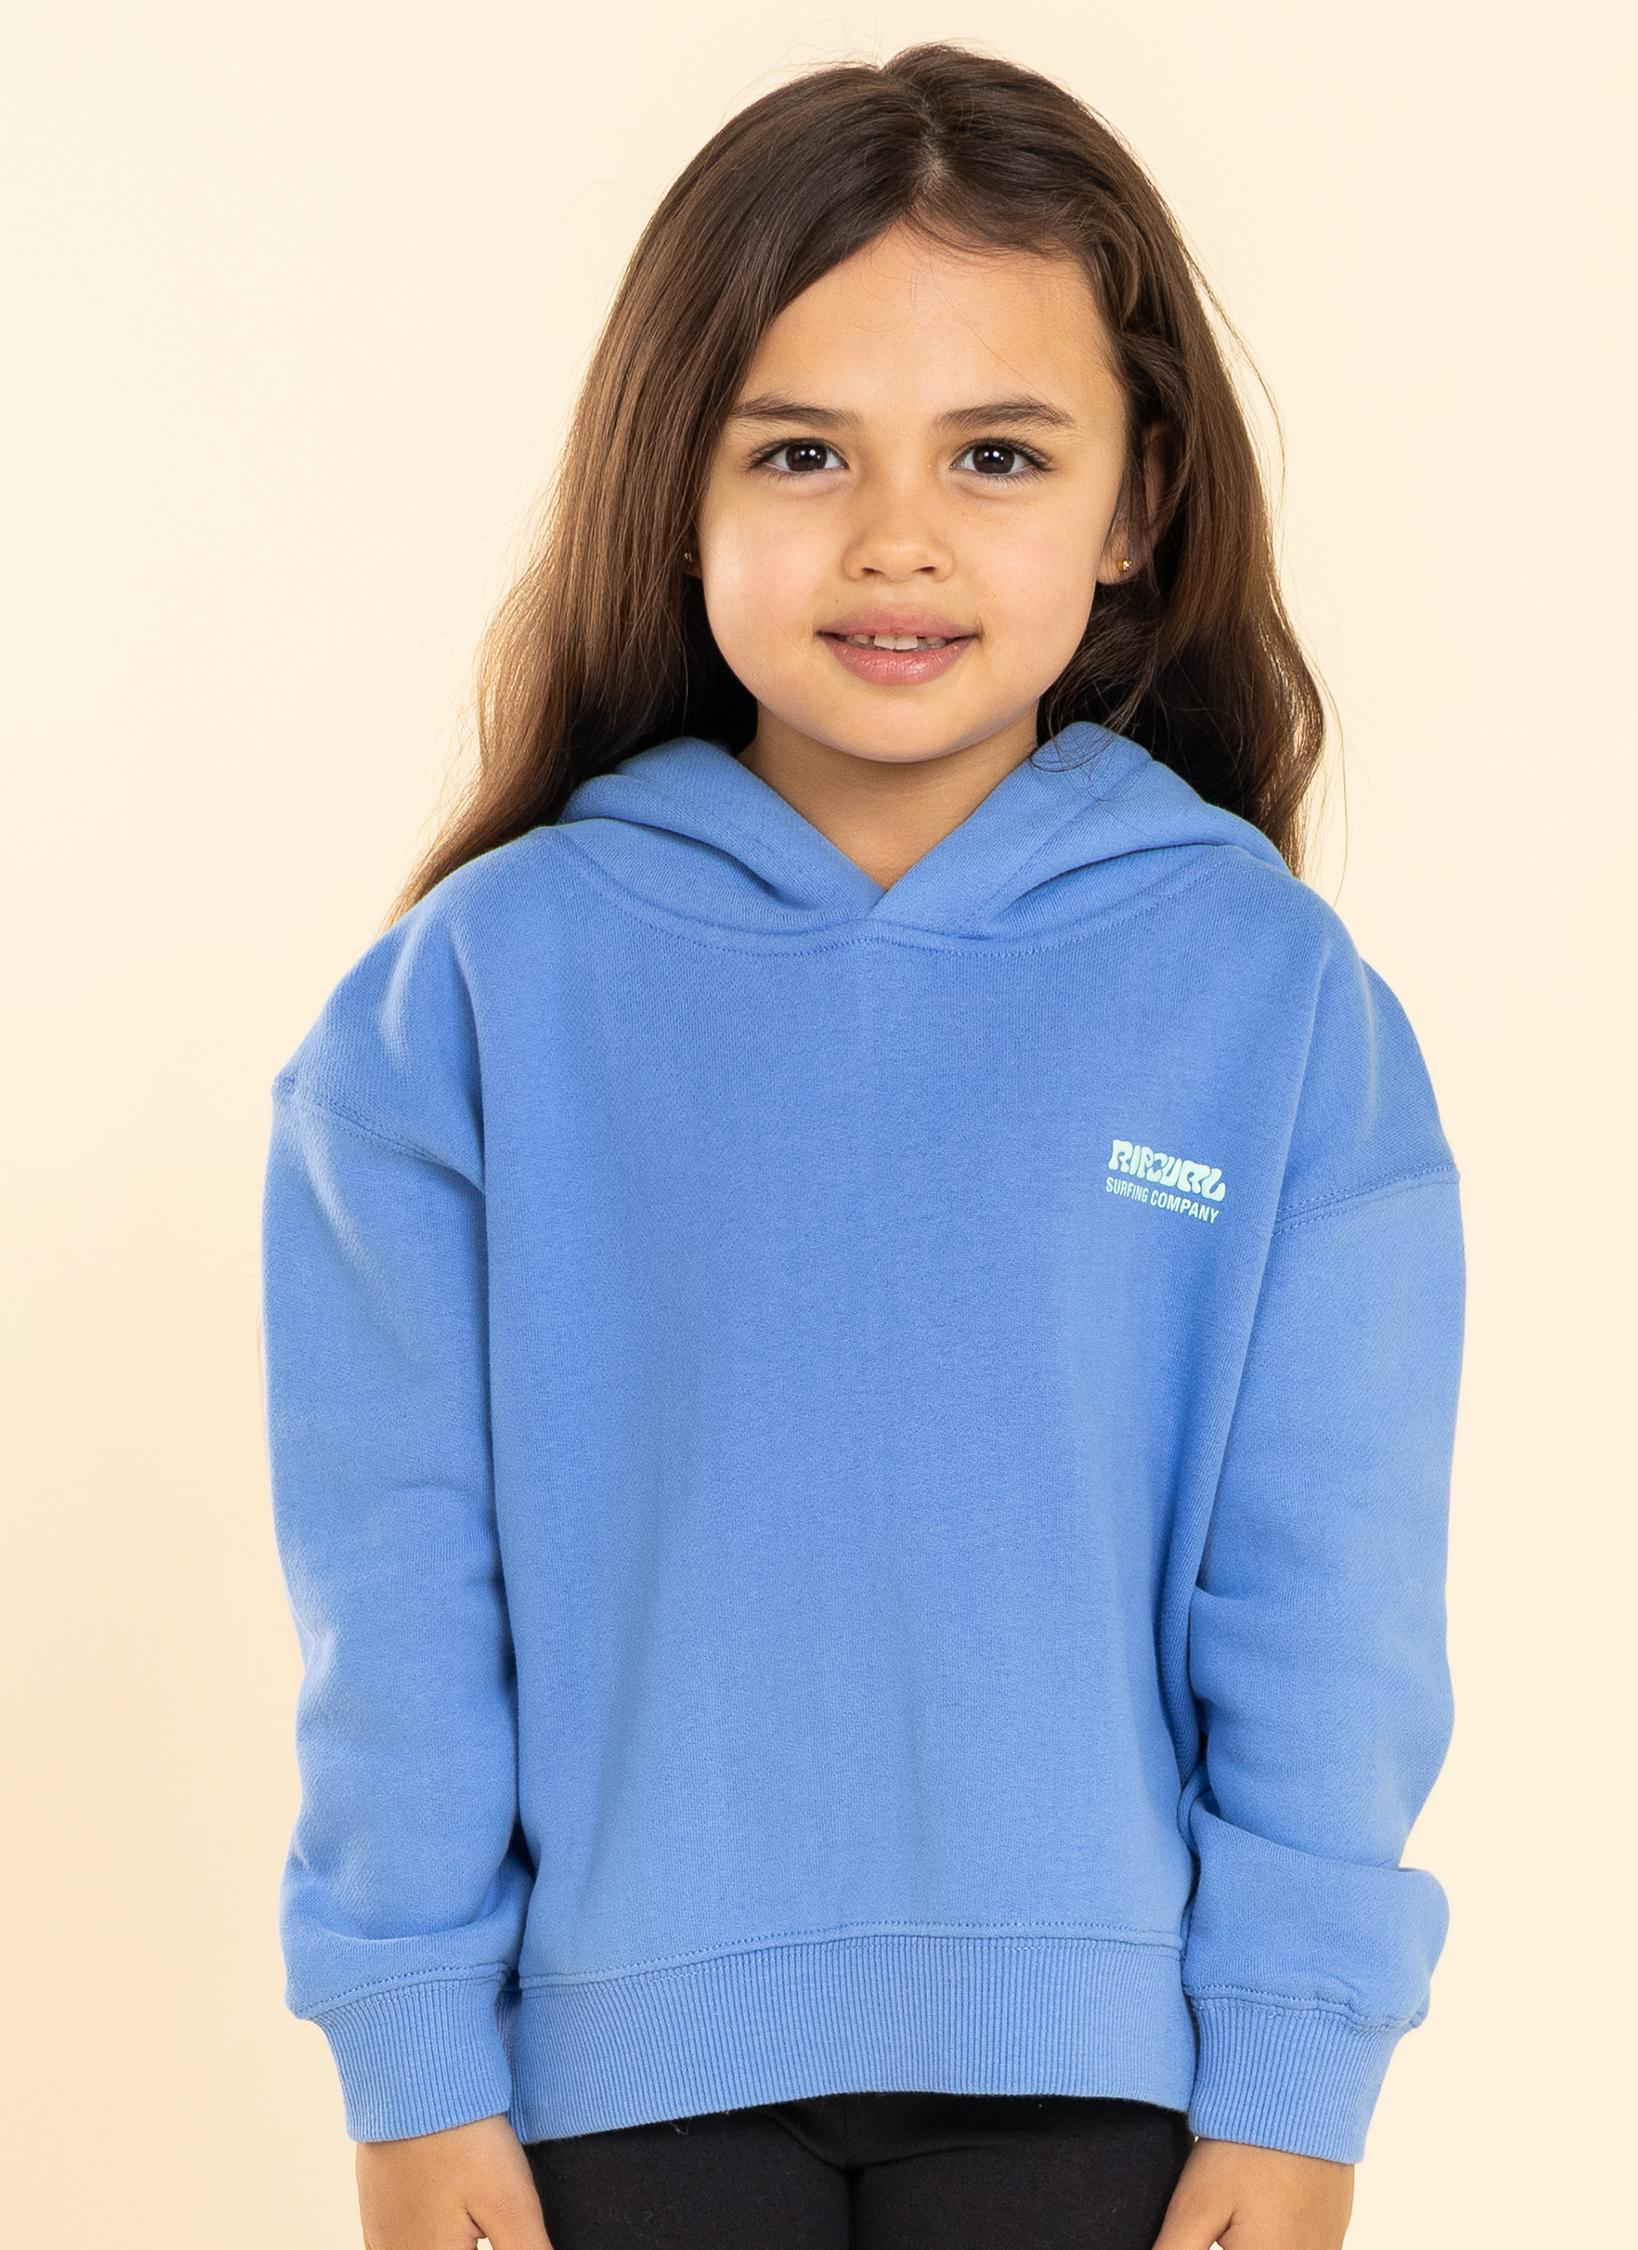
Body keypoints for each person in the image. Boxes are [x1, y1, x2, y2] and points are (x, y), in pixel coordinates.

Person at [258, 41, 1467, 2250]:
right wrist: (410, 2056)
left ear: (1135, 505)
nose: (897, 536)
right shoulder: (473, 999)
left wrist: (1302, 2071)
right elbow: (400, 1585)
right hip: (608, 2093)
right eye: (802, 449)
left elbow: (1327, 1590)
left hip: (1108, 2091)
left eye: (998, 453)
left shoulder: (1269, 999)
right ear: (675, 483)